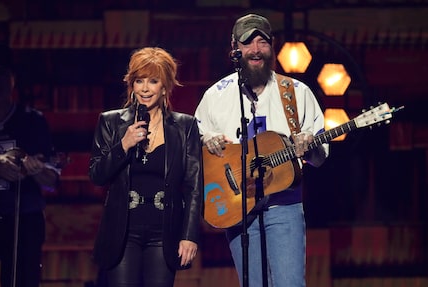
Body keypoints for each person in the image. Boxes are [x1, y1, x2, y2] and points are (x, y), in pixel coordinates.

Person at [195, 14, 329, 286]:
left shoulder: (296, 93)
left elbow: (320, 154)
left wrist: (307, 145)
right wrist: (206, 139)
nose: (255, 50)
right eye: (247, 43)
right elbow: (193, 144)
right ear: (234, 47)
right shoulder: (216, 96)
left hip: (285, 205)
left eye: (262, 42)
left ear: (273, 46)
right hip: (237, 206)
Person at [89, 47, 203, 287]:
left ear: (165, 86)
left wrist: (189, 236)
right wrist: (123, 145)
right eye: (139, 81)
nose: (144, 88)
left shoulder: (186, 126)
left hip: (164, 233)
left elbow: (194, 186)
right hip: (123, 231)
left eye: (153, 81)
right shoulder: (110, 122)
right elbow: (97, 175)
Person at [0, 65, 60, 287]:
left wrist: (36, 169)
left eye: (3, 74)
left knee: (23, 278)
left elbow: (52, 180)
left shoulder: (33, 120)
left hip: (23, 217)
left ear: (12, 80)